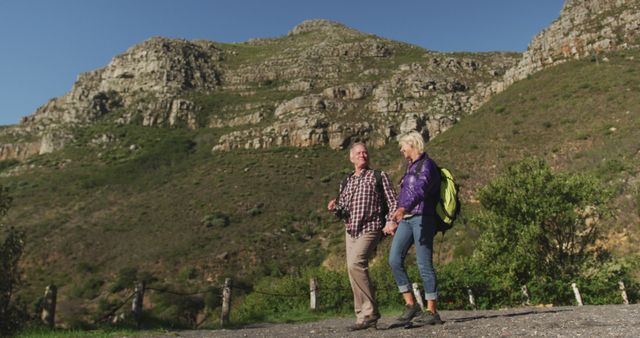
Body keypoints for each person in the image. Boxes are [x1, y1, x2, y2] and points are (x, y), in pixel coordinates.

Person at [327, 142, 397, 331]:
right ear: (351, 157)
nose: (362, 155)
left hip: (371, 227)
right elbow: (342, 209)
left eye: (365, 152)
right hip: (350, 230)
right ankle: (362, 316)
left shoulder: (378, 176)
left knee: (355, 263)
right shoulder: (346, 181)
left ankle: (371, 312)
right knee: (352, 271)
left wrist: (391, 221)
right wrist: (335, 206)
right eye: (358, 153)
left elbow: (392, 202)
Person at [382, 131, 444, 325]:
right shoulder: (410, 167)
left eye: (403, 146)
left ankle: (432, 311)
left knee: (424, 263)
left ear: (413, 144)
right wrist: (394, 218)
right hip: (407, 219)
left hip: (422, 218)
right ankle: (411, 305)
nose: (401, 149)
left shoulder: (427, 165)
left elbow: (420, 190)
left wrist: (403, 208)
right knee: (394, 259)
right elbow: (404, 195)